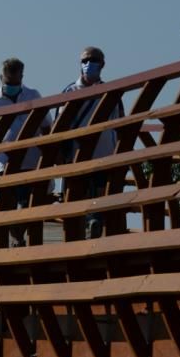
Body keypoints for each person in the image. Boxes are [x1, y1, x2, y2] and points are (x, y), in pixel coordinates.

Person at [0, 58, 53, 247]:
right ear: (0, 78)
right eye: (8, 82)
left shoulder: (33, 95)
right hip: (4, 159)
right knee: (10, 199)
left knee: (29, 201)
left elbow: (47, 126)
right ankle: (16, 237)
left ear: (22, 77)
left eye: (16, 81)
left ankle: (18, 235)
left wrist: (50, 155)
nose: (12, 85)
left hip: (32, 158)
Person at [61, 46, 125, 239]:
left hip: (105, 154)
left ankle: (95, 223)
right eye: (85, 60)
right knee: (78, 194)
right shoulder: (70, 91)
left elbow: (121, 122)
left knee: (100, 191)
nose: (88, 64)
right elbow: (60, 126)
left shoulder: (110, 93)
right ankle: (85, 229)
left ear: (102, 64)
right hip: (77, 155)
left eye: (94, 59)